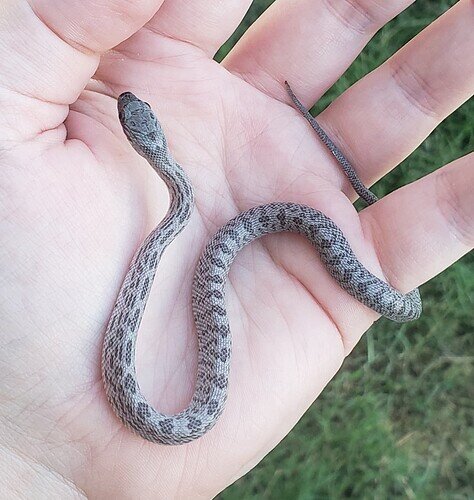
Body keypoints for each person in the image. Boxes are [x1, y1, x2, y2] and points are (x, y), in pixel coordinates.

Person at [0, 0, 472, 497]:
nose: (131, 105)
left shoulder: (179, 200)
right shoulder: (176, 198)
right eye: (132, 115)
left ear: (148, 142)